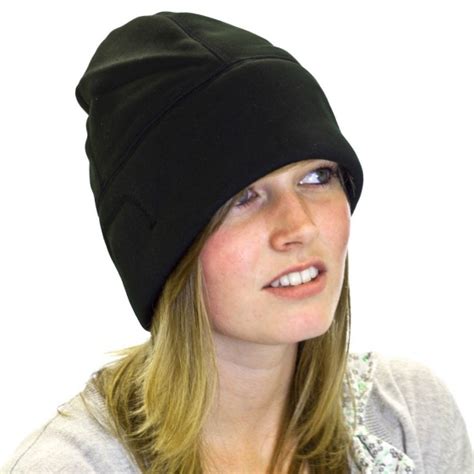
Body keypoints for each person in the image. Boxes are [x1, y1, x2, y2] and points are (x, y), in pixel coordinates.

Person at [2, 11, 472, 474]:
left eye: (316, 176)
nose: (300, 227)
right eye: (243, 196)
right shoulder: (73, 467)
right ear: (162, 254)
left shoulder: (409, 419)